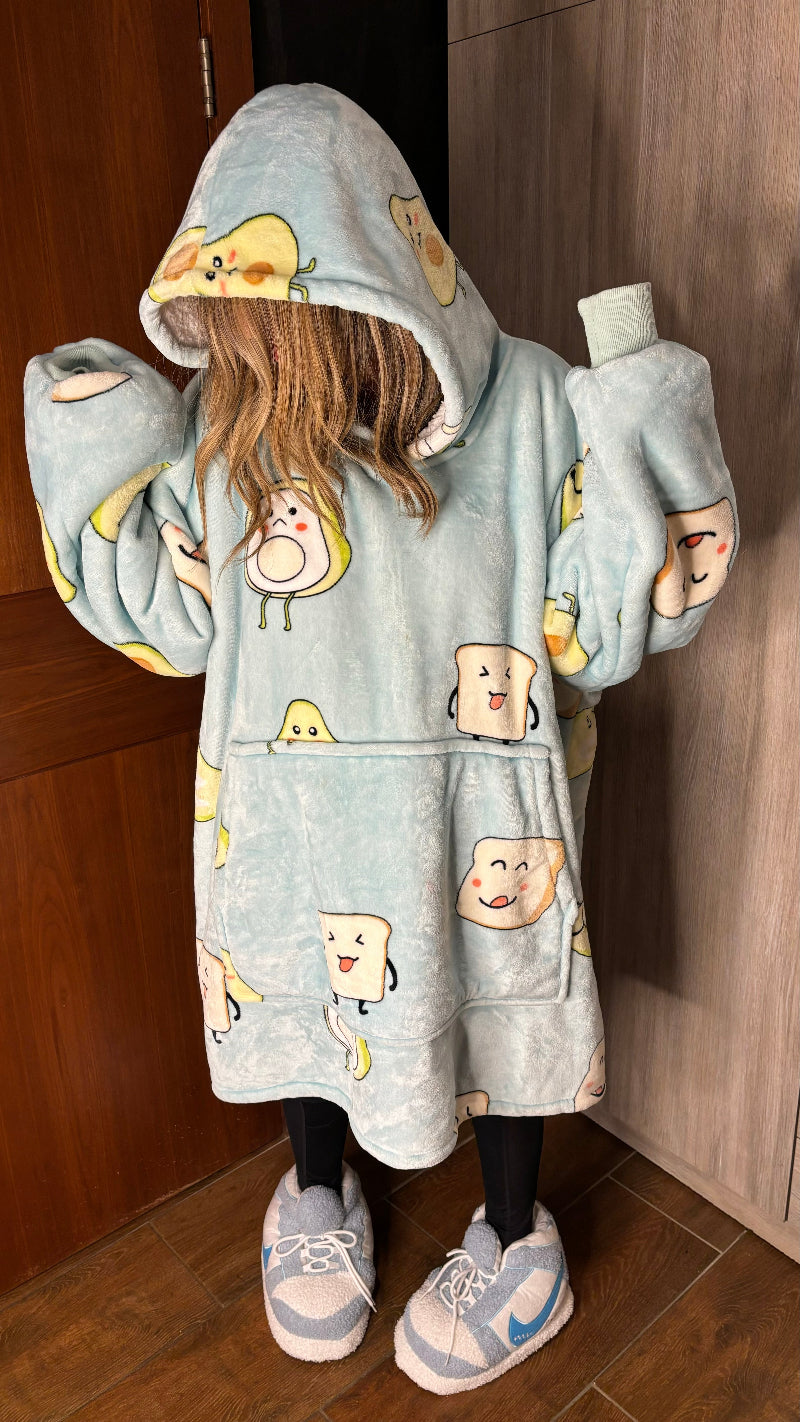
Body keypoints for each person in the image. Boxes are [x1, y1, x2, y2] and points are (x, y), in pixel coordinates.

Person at [23, 83, 738, 1395]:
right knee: (306, 997)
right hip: (286, 819)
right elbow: (168, 619)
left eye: (267, 314)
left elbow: (597, 628)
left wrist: (637, 404)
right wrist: (95, 432)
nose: (254, 345)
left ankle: (518, 1239)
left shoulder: (529, 405)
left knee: (499, 1020)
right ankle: (315, 1191)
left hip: (479, 818)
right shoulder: (225, 425)